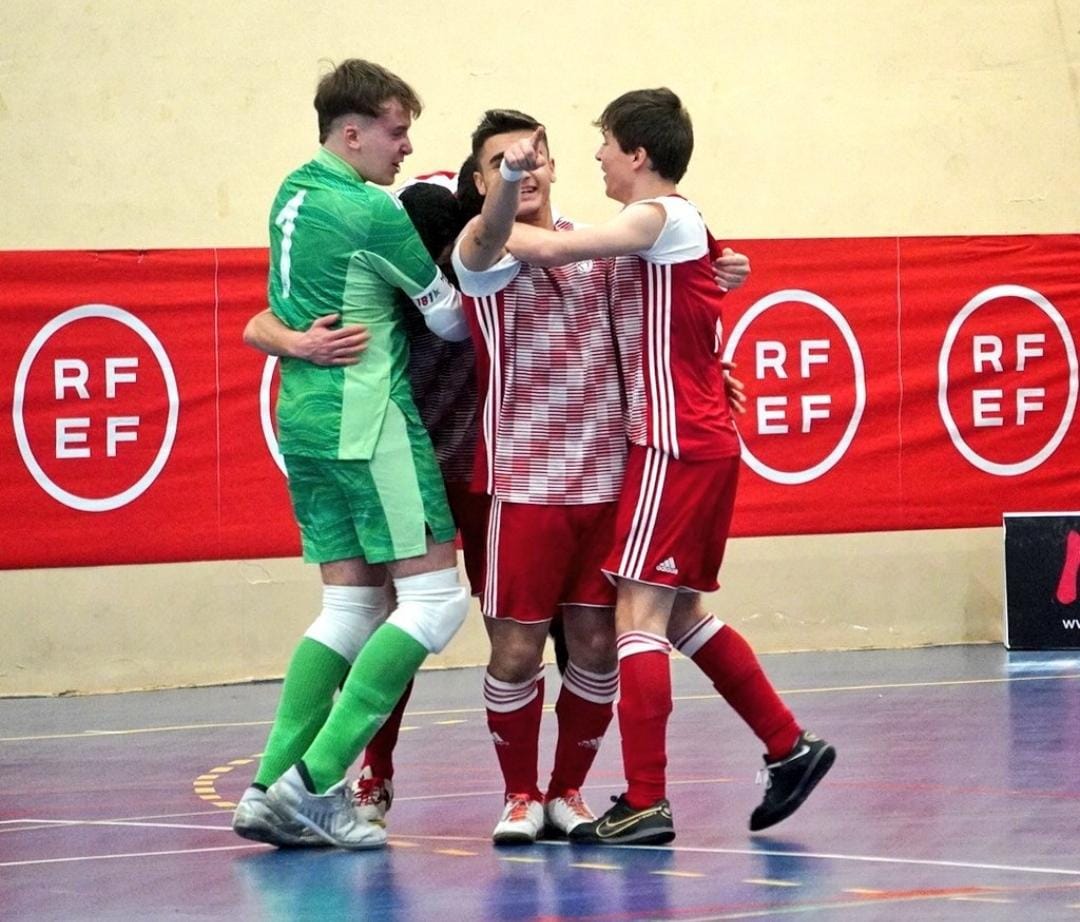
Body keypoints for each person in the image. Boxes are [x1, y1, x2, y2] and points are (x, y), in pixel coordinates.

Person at [504, 88, 835, 845]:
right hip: (696, 438)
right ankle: (789, 745)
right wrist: (728, 266)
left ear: (638, 154)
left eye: (606, 145)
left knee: (638, 615)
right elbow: (690, 277)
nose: (596, 158)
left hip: (674, 443)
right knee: (678, 611)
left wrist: (478, 227)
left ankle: (647, 799)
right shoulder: (674, 228)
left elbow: (555, 248)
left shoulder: (660, 217)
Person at [231, 59, 471, 851]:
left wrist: (292, 339)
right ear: (354, 131)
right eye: (397, 133)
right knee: (435, 603)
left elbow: (268, 313)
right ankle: (315, 781)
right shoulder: (371, 211)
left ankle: (268, 786)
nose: (405, 149)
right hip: (369, 422)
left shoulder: (290, 193)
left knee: (351, 606)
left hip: (301, 419)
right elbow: (447, 321)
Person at [452, 110, 629, 844]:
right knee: (517, 651)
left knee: (594, 647)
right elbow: (492, 236)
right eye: (501, 163)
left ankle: (568, 792)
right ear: (480, 180)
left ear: (556, 166)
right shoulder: (478, 249)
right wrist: (509, 182)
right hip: (521, 484)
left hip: (606, 482)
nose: (521, 170)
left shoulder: (603, 247)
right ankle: (519, 795)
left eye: (532, 158)